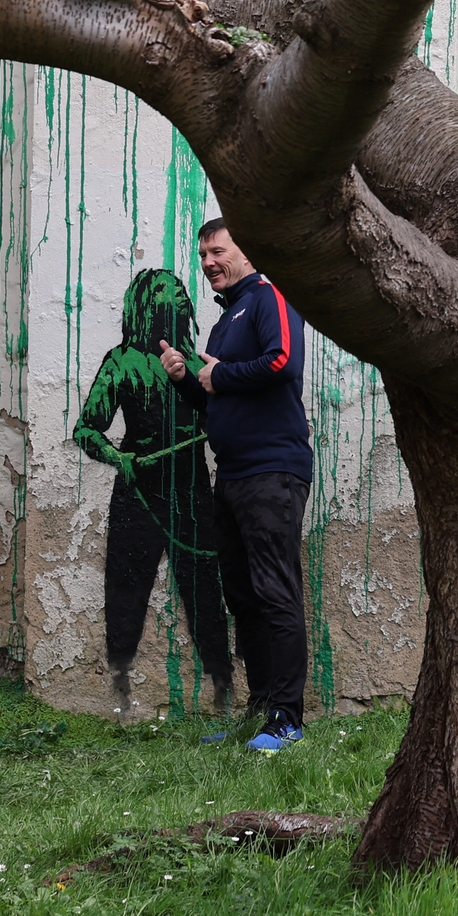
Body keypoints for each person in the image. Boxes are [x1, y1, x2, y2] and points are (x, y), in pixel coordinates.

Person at [157, 219, 312, 753]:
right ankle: (260, 712)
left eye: (217, 251)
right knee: (243, 598)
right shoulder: (225, 323)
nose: (208, 263)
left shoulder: (268, 297)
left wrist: (219, 375)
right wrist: (186, 378)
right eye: (202, 255)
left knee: (275, 593)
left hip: (273, 472)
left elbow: (283, 362)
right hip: (235, 476)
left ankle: (288, 719)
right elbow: (217, 398)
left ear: (246, 251)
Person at [74, 269, 233, 715]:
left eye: (180, 296)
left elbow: (222, 411)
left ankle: (223, 687)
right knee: (126, 590)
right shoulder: (120, 361)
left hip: (191, 493)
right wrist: (117, 457)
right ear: (146, 306)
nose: (178, 302)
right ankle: (120, 687)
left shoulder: (197, 363)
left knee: (204, 592)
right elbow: (87, 429)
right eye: (167, 296)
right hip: (137, 495)